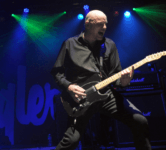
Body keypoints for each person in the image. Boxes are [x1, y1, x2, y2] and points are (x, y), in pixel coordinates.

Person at [51, 10, 151, 150]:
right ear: (88, 24)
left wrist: (124, 81)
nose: (104, 27)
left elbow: (116, 75)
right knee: (72, 141)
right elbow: (57, 72)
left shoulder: (109, 45)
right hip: (81, 99)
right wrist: (69, 87)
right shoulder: (70, 44)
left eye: (106, 24)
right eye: (100, 24)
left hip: (106, 96)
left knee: (140, 121)